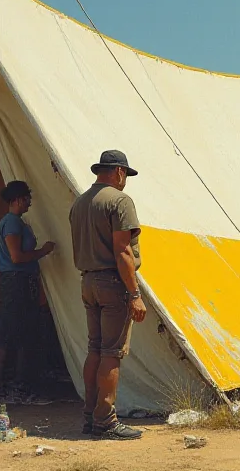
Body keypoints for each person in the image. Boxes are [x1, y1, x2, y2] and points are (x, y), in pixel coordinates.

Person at [69, 150, 146, 440]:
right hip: (112, 283)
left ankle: (90, 416)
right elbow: (123, 250)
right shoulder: (119, 200)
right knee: (111, 353)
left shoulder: (80, 202)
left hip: (87, 281)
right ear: (119, 172)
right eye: (125, 175)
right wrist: (134, 293)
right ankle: (105, 419)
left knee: (95, 349)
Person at [0, 180, 56, 406]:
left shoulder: (15, 222)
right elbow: (16, 257)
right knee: (13, 335)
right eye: (27, 198)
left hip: (19, 282)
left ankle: (12, 388)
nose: (29, 202)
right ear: (18, 199)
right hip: (15, 282)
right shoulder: (11, 223)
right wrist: (43, 252)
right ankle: (8, 389)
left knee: (19, 334)